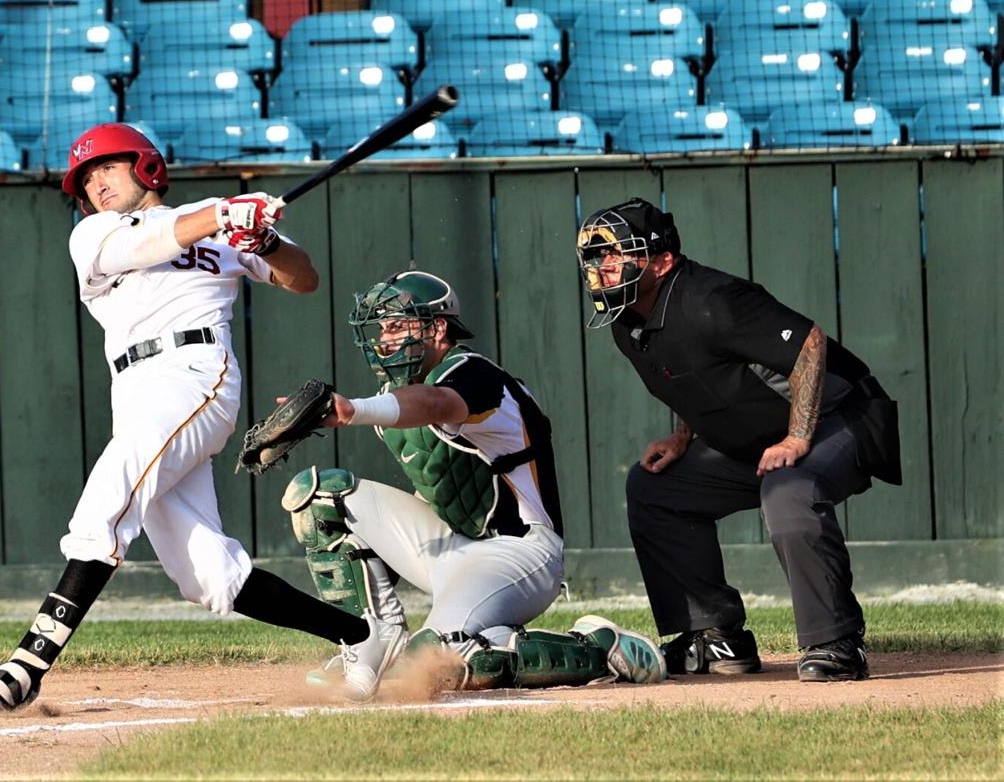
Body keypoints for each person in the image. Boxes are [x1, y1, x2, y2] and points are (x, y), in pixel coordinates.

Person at [0, 123, 407, 711]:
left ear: (145, 166)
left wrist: (262, 239)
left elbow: (303, 279)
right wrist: (226, 213)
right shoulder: (94, 234)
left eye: (107, 167)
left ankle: (29, 664)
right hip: (135, 390)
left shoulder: (215, 222)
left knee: (109, 496)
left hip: (194, 372)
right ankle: (364, 636)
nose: (96, 182)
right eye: (87, 178)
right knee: (205, 576)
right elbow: (151, 241)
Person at [279, 270, 667, 690]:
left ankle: (599, 649)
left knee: (436, 660)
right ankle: (371, 641)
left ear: (438, 328)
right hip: (453, 548)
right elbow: (437, 484)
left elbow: (434, 403)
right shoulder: (396, 395)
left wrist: (353, 409)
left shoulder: (474, 374)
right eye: (382, 329)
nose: (385, 339)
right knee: (320, 494)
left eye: (397, 325)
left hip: (519, 554)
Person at [576, 197, 902, 682]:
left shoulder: (712, 300)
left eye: (615, 254)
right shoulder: (627, 323)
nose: (602, 267)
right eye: (595, 257)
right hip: (759, 438)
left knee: (789, 490)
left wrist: (797, 436)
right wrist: (683, 436)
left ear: (662, 260)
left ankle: (836, 642)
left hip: (842, 415)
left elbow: (809, 343)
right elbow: (689, 375)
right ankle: (714, 637)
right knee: (655, 489)